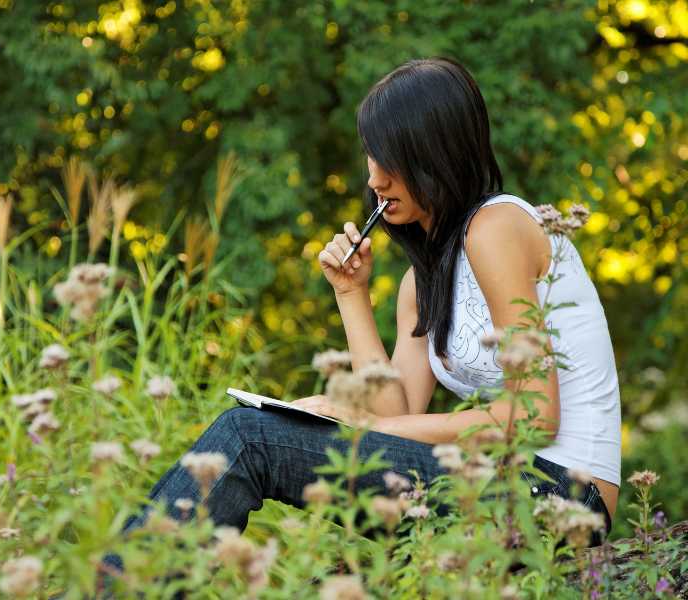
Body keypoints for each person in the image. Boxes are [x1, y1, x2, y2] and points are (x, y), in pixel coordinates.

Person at [100, 56, 620, 589]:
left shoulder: (498, 227)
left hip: (562, 496)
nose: (374, 177)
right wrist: (350, 295)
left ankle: (119, 588)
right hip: (488, 485)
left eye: (390, 157)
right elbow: (397, 409)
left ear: (434, 155)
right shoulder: (422, 283)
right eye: (371, 155)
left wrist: (370, 429)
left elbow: (534, 417)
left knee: (249, 439)